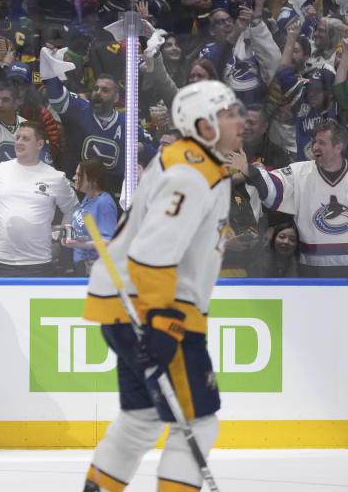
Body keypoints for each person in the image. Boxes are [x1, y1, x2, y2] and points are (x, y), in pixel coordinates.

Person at [82, 80, 245, 492]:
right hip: (151, 307)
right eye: (229, 114)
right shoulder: (192, 173)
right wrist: (163, 320)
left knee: (141, 419)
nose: (240, 120)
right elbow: (155, 248)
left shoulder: (193, 162)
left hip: (132, 304)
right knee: (199, 424)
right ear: (205, 126)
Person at [0, 121, 77, 277]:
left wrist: (61, 240)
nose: (18, 142)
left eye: (25, 138)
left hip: (39, 264)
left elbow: (72, 208)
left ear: (39, 144)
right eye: (17, 138)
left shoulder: (55, 178)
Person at [241, 119, 348, 277]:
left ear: (338, 147)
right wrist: (252, 172)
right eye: (314, 142)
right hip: (312, 267)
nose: (315, 147)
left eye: (322, 143)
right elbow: (273, 189)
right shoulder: (300, 172)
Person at [62, 159, 117, 276]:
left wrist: (80, 245)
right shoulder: (87, 199)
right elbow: (86, 231)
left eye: (79, 175)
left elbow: (108, 241)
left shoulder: (104, 203)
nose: (74, 178)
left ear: (93, 180)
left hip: (95, 270)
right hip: (81, 267)